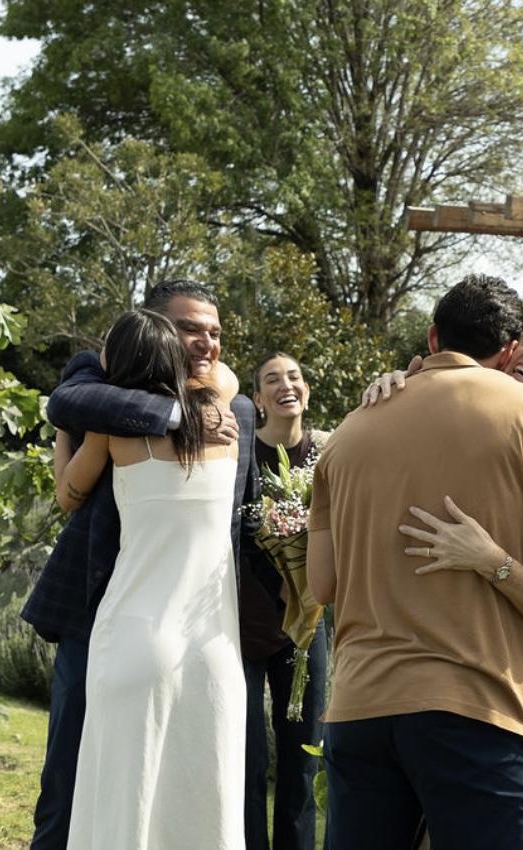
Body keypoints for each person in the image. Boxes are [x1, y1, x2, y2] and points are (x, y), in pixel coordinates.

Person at [306, 274, 523, 850]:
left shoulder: (349, 431)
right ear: (508, 350)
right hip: (479, 703)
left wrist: (491, 559)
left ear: (433, 337)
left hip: (370, 704)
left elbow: (322, 583)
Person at [21, 280, 259, 850]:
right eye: (190, 329)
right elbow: (67, 404)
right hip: (93, 608)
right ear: (155, 328)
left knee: (164, 781)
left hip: (182, 619)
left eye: (215, 332)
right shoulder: (96, 379)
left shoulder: (233, 408)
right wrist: (181, 414)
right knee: (68, 782)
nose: (207, 343)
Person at [242, 351, 328, 850]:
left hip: (307, 623)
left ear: (306, 392)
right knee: (247, 753)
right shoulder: (241, 451)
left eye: (294, 377)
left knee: (303, 755)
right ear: (258, 398)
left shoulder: (328, 451)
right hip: (244, 619)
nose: (285, 386)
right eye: (272, 380)